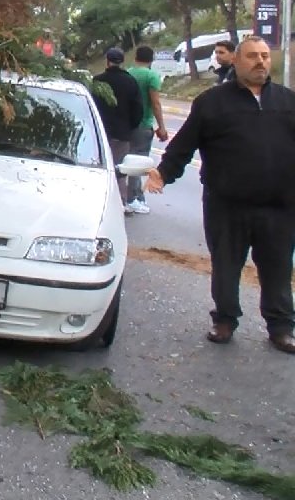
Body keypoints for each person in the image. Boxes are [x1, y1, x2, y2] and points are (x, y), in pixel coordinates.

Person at [145, 36, 295, 353]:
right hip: (227, 205)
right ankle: (225, 320)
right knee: (226, 266)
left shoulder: (287, 101)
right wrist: (163, 173)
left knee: (278, 268)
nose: (261, 62)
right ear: (237, 61)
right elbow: (184, 144)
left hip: (279, 207)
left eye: (265, 56)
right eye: (253, 56)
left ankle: (281, 327)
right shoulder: (212, 102)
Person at [91, 48, 144, 209]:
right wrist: (129, 127)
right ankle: (120, 203)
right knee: (119, 169)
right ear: (122, 62)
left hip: (99, 133)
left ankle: (96, 201)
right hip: (121, 133)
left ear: (107, 61)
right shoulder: (130, 81)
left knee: (96, 167)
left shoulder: (98, 81)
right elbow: (138, 110)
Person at [124, 46, 170, 214]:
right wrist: (162, 128)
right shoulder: (152, 76)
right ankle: (134, 198)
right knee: (138, 163)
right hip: (144, 124)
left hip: (127, 125)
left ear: (136, 57)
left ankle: (128, 197)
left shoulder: (128, 73)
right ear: (151, 60)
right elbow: (155, 103)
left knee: (125, 161)